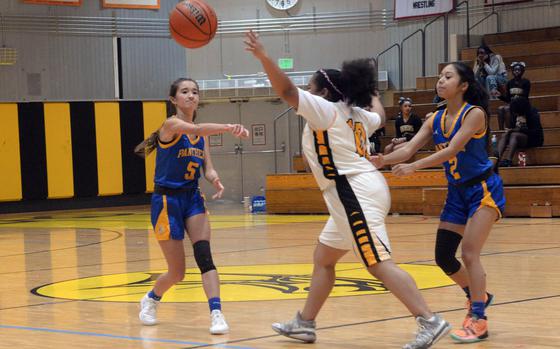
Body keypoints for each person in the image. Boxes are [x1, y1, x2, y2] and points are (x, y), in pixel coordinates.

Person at [244, 30, 450, 349]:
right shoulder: (356, 115)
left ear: (323, 91)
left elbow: (285, 89)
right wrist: (371, 90)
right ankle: (305, 323)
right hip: (360, 188)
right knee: (324, 258)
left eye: (311, 87)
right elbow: (380, 116)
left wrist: (264, 57)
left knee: (377, 262)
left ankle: (429, 320)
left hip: (353, 191)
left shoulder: (324, 110)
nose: (307, 92)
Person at [371, 62, 506, 343]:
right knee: (443, 256)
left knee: (469, 253)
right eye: (439, 77)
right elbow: (408, 148)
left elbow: (453, 150)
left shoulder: (474, 114)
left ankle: (478, 318)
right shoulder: (435, 118)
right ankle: (478, 295)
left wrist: (414, 167)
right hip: (457, 192)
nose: (440, 81)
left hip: (482, 189)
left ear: (464, 85)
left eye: (448, 77)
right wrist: (382, 160)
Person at [135, 78, 248, 334]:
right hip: (166, 201)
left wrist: (215, 178)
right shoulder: (171, 125)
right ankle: (151, 298)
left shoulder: (200, 136)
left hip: (192, 198)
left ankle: (216, 313)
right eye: (184, 92)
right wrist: (229, 126)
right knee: (177, 273)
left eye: (195, 92)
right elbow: (202, 129)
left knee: (205, 257)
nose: (191, 96)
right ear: (174, 99)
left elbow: (207, 167)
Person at [497, 96, 543, 167]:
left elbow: (536, 132)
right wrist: (511, 130)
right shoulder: (515, 112)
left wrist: (519, 130)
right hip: (519, 137)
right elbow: (513, 127)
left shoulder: (533, 113)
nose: (515, 114)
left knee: (514, 135)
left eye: (516, 112)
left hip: (533, 139)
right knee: (505, 135)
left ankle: (508, 160)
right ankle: (497, 159)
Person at [497, 62, 531, 130]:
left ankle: (509, 129)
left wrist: (517, 100)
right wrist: (500, 96)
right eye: (515, 70)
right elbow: (508, 99)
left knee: (507, 109)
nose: (517, 71)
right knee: (500, 109)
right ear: (512, 71)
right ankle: (501, 131)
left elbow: (525, 96)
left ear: (522, 71)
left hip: (522, 105)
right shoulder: (510, 83)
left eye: (519, 70)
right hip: (512, 104)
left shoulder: (526, 82)